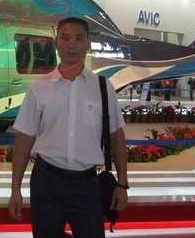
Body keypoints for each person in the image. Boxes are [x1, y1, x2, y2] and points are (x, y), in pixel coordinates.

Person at [8, 17, 128, 238]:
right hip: (46, 183)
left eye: (78, 38)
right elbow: (24, 139)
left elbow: (117, 136)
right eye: (65, 38)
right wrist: (15, 189)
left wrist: (122, 184)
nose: (71, 44)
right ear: (57, 42)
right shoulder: (38, 88)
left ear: (87, 43)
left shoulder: (103, 87)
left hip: (87, 185)